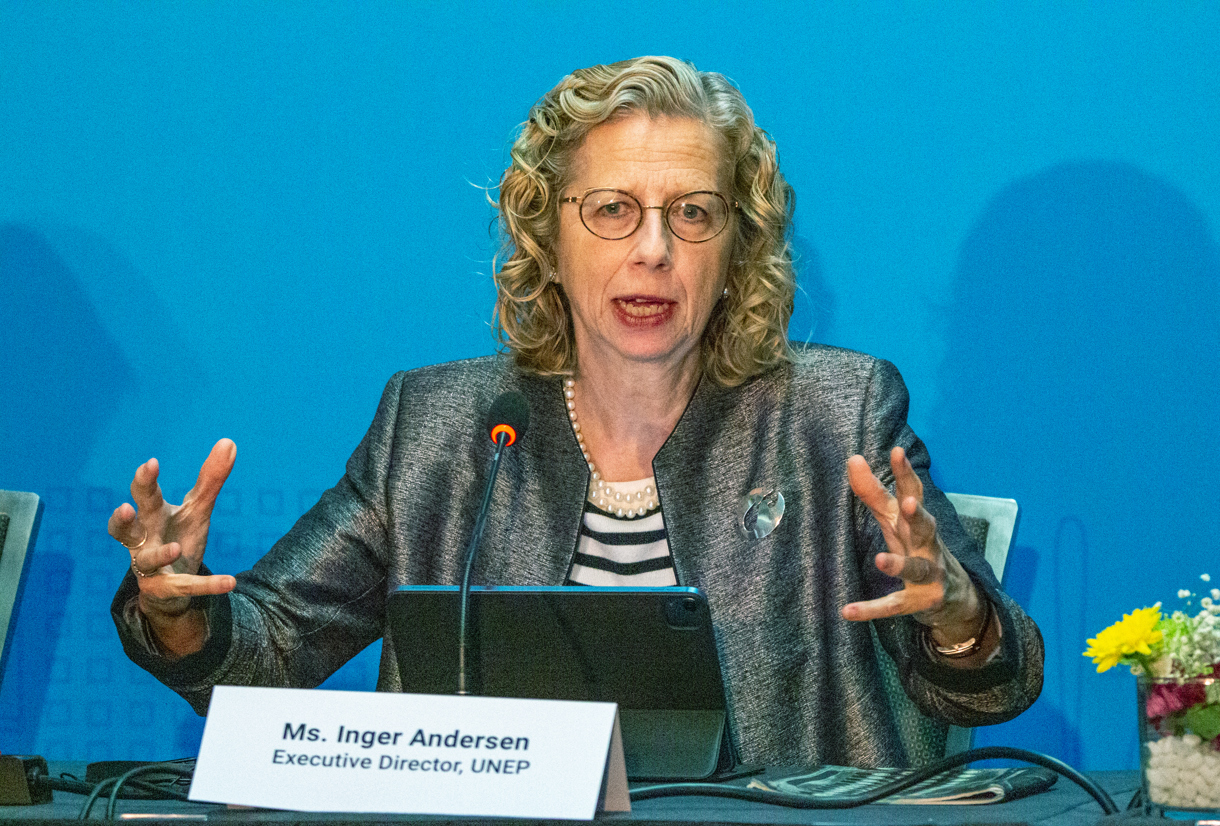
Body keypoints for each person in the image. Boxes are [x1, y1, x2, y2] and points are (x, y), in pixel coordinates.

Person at [108, 55, 1043, 768]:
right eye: (610, 210)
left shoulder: (834, 416)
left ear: (737, 246)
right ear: (546, 234)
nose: (653, 251)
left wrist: (958, 615)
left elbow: (993, 684)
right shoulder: (435, 429)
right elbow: (270, 654)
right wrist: (180, 609)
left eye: (693, 214)